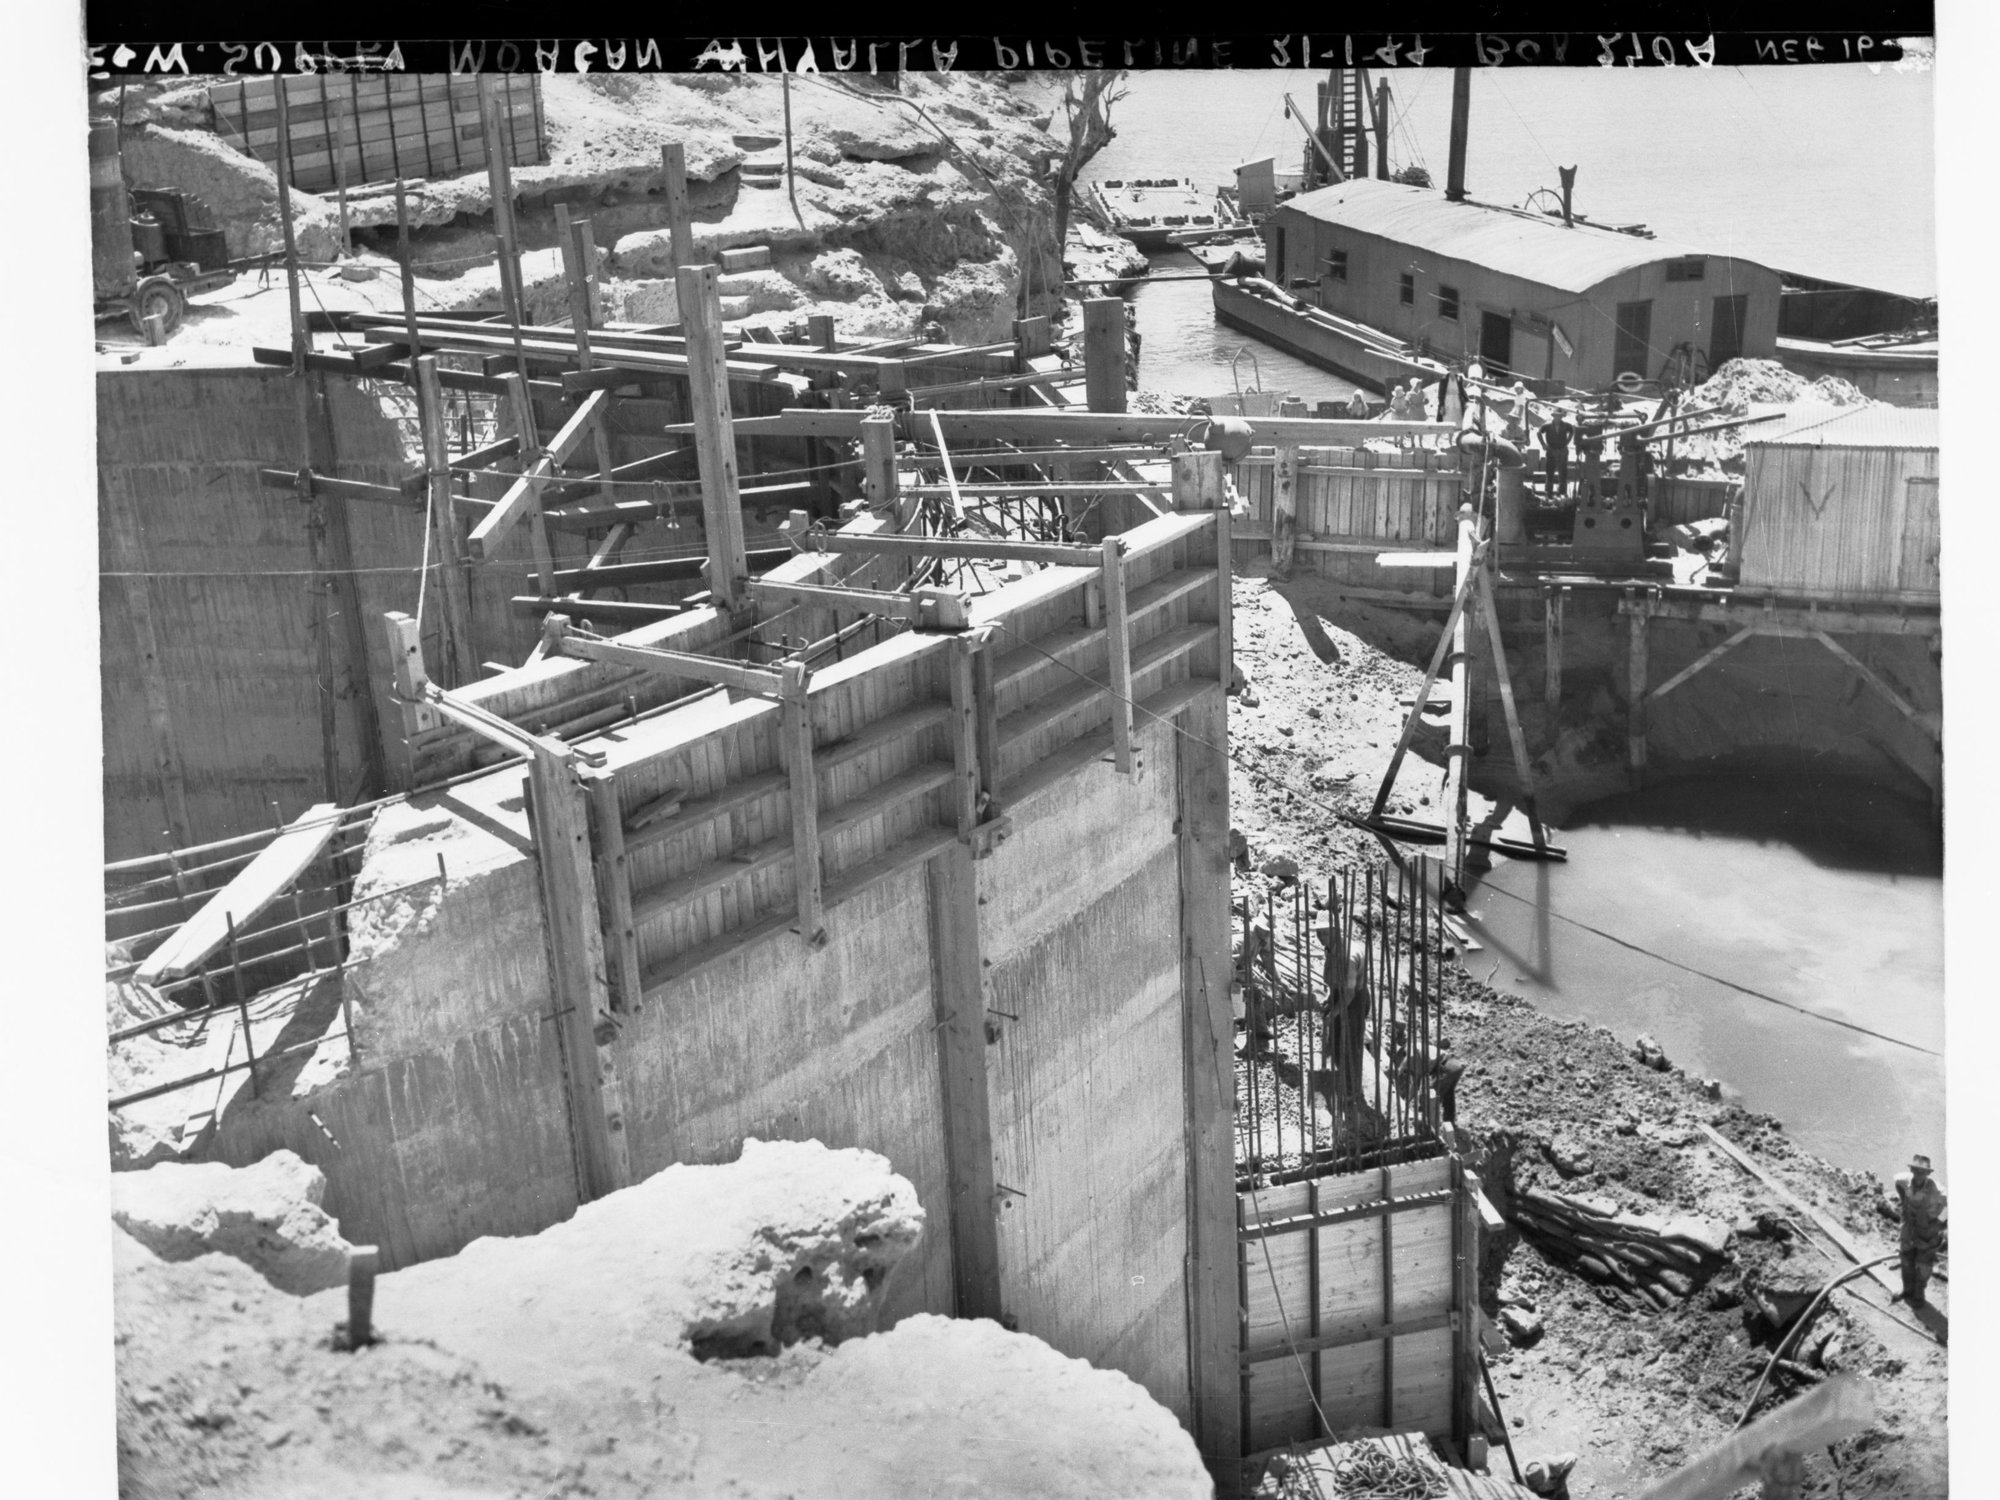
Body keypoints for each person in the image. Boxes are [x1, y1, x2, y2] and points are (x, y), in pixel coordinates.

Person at [1893, 1153, 1947, 1308]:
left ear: (1928, 1173)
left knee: (1923, 1265)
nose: (1918, 1174)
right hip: (1909, 1229)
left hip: (1927, 1232)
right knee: (1906, 1260)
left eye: (1922, 1171)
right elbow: (1896, 1181)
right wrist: (1903, 1200)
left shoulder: (1938, 1191)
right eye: (1916, 1170)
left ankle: (1919, 1295)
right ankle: (1907, 1289)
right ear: (1911, 1170)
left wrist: (1940, 1225)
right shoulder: (1904, 1180)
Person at [1540, 402, 1576, 497]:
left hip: (1562, 450)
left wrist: (1567, 442)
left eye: (1559, 416)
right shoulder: (1547, 426)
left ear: (1561, 417)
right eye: (1556, 416)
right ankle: (1549, 492)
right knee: (1550, 471)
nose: (1558, 418)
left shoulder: (1566, 425)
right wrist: (1543, 444)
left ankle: (1562, 492)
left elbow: (1572, 431)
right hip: (1551, 450)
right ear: (1553, 416)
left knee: (1563, 471)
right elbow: (1539, 433)